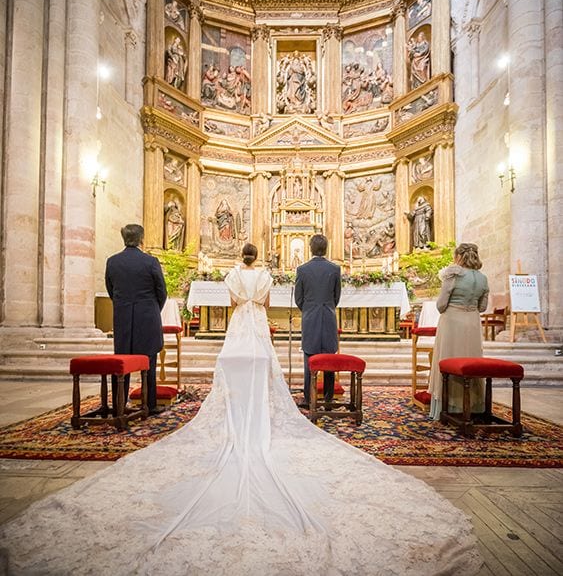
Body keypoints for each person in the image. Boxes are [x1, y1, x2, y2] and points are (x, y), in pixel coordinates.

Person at [0, 242, 483, 576]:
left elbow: (236, 299)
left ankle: (215, 406)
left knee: (234, 360)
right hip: (263, 323)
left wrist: (244, 301)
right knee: (262, 362)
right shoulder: (277, 276)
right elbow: (273, 300)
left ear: (241, 258)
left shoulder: (234, 276)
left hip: (238, 323)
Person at [104, 224, 167, 415]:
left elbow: (110, 289)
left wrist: (123, 305)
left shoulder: (112, 262)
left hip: (122, 317)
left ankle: (119, 404)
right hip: (147, 317)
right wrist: (153, 309)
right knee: (148, 361)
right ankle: (150, 404)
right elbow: (161, 291)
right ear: (142, 239)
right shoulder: (151, 262)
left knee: (122, 360)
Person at [428, 243, 490, 421]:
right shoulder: (483, 278)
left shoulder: (454, 273)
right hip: (472, 323)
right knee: (471, 361)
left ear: (459, 257)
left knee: (449, 359)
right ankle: (473, 405)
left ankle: (448, 405)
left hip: (452, 322)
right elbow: (483, 307)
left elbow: (441, 304)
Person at [294, 234, 340, 409]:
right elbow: (337, 297)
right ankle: (328, 399)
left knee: (309, 357)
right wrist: (326, 307)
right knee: (329, 356)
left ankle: (308, 397)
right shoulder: (334, 269)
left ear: (311, 248)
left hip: (310, 317)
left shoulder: (303, 270)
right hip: (328, 316)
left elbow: (299, 298)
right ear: (326, 248)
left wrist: (309, 310)